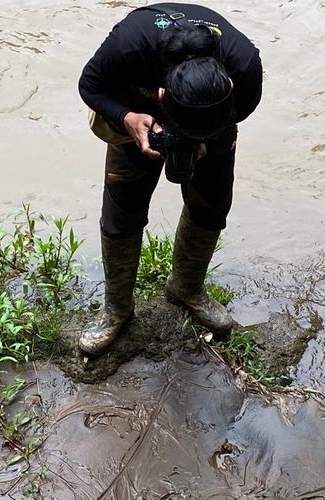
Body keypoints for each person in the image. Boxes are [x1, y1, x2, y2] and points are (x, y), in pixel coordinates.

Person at [78, 2, 262, 355]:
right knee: (122, 209)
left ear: (229, 82)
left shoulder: (244, 65)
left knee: (213, 204)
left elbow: (242, 110)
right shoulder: (129, 46)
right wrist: (127, 117)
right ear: (162, 95)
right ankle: (117, 309)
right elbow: (90, 85)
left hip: (215, 125)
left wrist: (205, 139)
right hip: (137, 113)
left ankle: (186, 288)